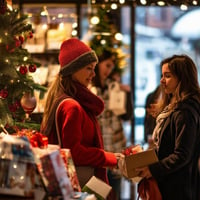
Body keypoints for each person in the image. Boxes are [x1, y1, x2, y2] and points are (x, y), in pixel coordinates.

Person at [40, 38, 124, 193]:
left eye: (94, 68)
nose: (93, 74)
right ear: (73, 70)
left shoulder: (62, 100)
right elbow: (74, 152)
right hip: (79, 185)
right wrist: (110, 158)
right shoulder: (72, 106)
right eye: (88, 68)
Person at [136, 54, 200, 200]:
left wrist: (152, 170)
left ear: (182, 78)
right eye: (162, 75)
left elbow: (182, 154)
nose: (162, 81)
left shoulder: (185, 111)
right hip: (173, 184)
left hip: (178, 188)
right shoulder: (174, 107)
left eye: (168, 76)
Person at [90, 50, 129, 200]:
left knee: (116, 194)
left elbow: (126, 115)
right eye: (107, 65)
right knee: (99, 194)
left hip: (116, 147)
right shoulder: (90, 90)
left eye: (112, 67)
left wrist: (126, 94)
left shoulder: (114, 86)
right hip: (100, 151)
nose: (109, 70)